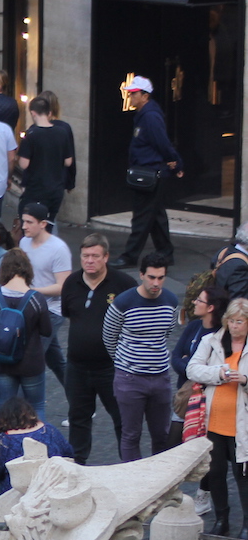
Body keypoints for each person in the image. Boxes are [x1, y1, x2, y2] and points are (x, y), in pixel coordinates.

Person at [61, 232, 135, 465]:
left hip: (111, 368)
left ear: (106, 257)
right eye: (85, 256)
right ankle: (77, 464)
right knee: (78, 417)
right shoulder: (71, 283)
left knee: (122, 418)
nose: (89, 260)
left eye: (95, 256)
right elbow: (68, 314)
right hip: (77, 367)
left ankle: (129, 464)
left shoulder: (124, 285)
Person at [103, 255, 177, 462]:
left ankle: (161, 482)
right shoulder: (123, 302)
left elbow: (166, 332)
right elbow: (109, 336)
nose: (156, 283)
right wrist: (123, 363)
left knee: (161, 435)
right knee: (131, 435)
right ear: (141, 275)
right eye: (151, 277)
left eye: (161, 278)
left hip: (160, 377)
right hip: (130, 378)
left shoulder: (171, 301)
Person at [188, 298, 248, 536]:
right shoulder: (211, 342)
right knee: (215, 472)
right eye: (232, 321)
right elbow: (192, 368)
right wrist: (218, 373)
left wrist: (245, 380)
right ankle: (221, 519)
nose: (234, 326)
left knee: (242, 475)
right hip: (212, 421)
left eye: (240, 322)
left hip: (241, 424)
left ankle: (246, 524)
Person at [115, 75, 181, 269]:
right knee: (156, 216)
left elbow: (163, 143)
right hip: (148, 171)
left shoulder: (150, 117)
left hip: (150, 173)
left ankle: (130, 256)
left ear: (145, 95)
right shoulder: (145, 115)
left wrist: (176, 163)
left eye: (134, 94)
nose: (131, 97)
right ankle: (165, 252)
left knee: (142, 217)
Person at [0, 250, 53, 417]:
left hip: (2, 362)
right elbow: (46, 331)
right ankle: (37, 441)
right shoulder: (36, 299)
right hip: (31, 362)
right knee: (36, 407)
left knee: (5, 406)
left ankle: (6, 441)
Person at [14, 204, 71, 388]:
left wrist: (32, 291)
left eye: (29, 222)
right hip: (31, 308)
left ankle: (19, 414)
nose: (24, 226)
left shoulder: (58, 249)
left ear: (43, 224)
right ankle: (80, 401)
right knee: (55, 361)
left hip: (52, 310)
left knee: (30, 359)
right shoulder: (24, 243)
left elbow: (63, 287)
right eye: (23, 221)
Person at [0, 398, 72, 497]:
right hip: (53, 483)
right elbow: (68, 453)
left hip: (18, 492)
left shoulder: (4, 441)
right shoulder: (49, 430)